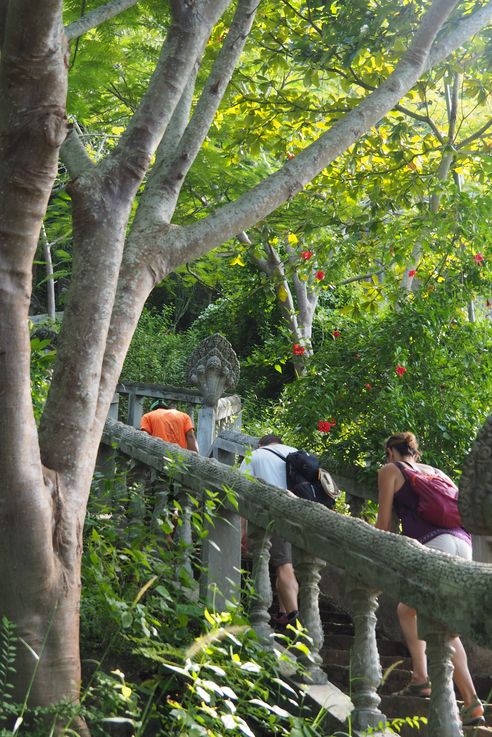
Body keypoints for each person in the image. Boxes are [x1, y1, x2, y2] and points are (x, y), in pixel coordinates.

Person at [376, 431, 484, 728]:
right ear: (415, 452)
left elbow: (384, 524)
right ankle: (444, 688)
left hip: (433, 544)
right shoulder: (440, 474)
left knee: (420, 616)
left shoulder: (390, 471)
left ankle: (437, 684)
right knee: (420, 614)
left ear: (390, 452)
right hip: (463, 545)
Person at [240, 433, 299, 627]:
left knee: (283, 564)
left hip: (278, 513)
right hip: (303, 515)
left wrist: (242, 532)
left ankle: (294, 618)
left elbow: (241, 491)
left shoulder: (256, 455)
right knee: (286, 564)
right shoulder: (296, 452)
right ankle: (282, 612)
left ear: (261, 444)